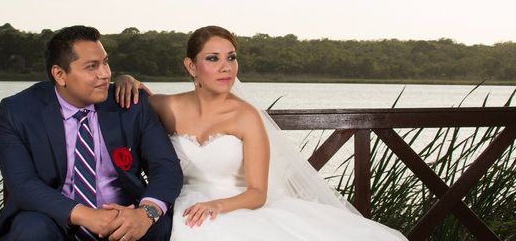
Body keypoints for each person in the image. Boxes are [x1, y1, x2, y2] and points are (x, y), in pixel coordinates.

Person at [115, 26, 408, 240]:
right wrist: (125, 78)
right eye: (213, 59)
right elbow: (129, 100)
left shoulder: (246, 116)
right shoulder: (165, 106)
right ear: (191, 66)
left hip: (233, 205)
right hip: (183, 202)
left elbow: (257, 193)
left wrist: (217, 205)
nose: (225, 67)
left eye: (231, 58)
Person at [0, 25, 183, 241]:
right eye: (92, 66)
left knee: (162, 226)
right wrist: (85, 216)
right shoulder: (19, 111)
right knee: (32, 228)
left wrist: (146, 213)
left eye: (105, 62)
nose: (105, 74)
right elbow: (22, 184)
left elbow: (165, 166)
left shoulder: (130, 103)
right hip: (57, 220)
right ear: (59, 74)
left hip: (124, 216)